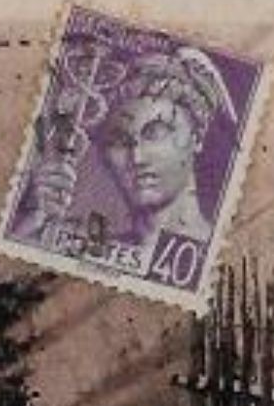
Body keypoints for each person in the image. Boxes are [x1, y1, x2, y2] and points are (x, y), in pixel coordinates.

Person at [17, 46, 234, 266]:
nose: (137, 157)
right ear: (103, 154)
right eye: (120, 140)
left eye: (155, 133)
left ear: (197, 137)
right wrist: (32, 223)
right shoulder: (92, 251)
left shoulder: (222, 255)